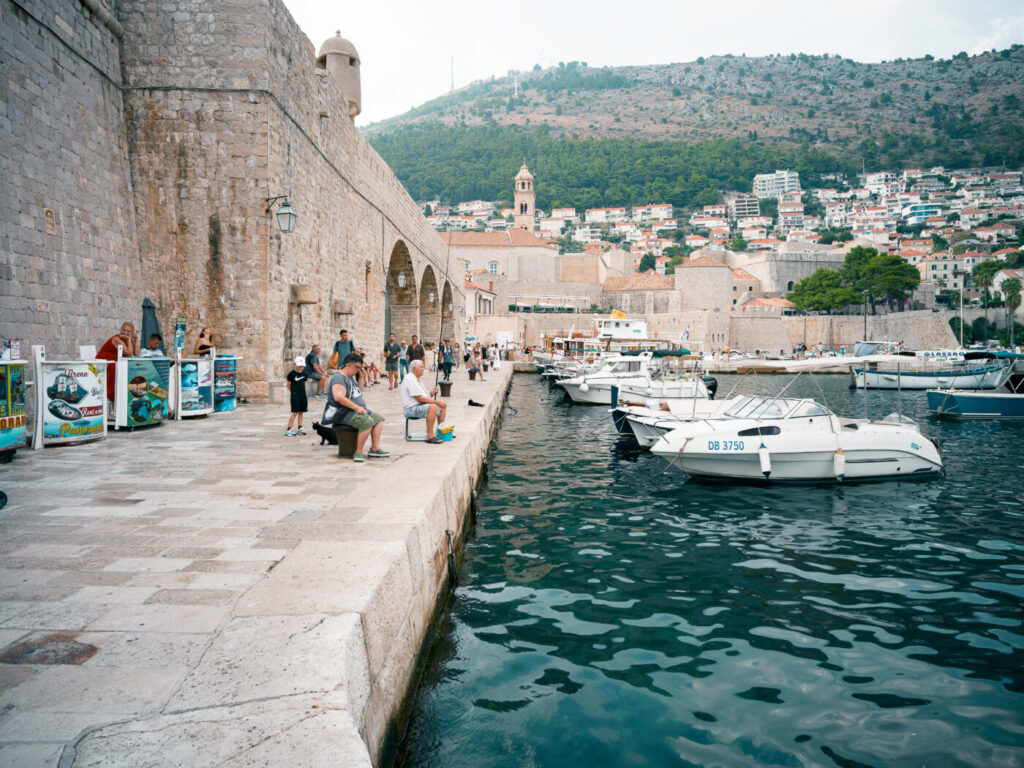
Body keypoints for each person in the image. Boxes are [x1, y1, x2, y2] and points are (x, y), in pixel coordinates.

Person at [323, 353, 389, 462]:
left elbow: (357, 392)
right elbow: (338, 397)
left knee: (378, 419)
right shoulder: (339, 378)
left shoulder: (349, 377)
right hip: (342, 413)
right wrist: (356, 408)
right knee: (367, 421)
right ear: (349, 365)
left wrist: (362, 378)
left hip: (351, 410)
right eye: (358, 368)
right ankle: (358, 451)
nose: (358, 370)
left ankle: (375, 448)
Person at [401, 360, 447, 444]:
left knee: (443, 405)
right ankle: (430, 436)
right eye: (421, 367)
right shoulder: (410, 379)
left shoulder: (418, 380)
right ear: (414, 368)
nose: (423, 368)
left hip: (419, 405)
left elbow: (423, 396)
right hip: (411, 409)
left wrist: (431, 393)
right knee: (433, 406)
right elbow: (420, 399)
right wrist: (436, 402)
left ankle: (441, 432)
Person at [97, 321, 142, 404]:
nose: (125, 333)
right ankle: (115, 396)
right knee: (121, 370)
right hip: (106, 364)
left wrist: (136, 341)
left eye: (128, 331)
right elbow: (128, 354)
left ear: (132, 333)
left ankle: (126, 396)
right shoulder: (116, 339)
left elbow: (137, 354)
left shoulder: (128, 340)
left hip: (116, 362)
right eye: (124, 330)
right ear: (120, 330)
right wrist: (128, 339)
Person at [285, 356, 308, 437]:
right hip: (295, 395)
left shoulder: (304, 374)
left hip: (303, 395)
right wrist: (293, 392)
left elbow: (304, 384)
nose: (300, 367)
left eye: (302, 366)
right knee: (295, 412)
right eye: (299, 366)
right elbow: (288, 384)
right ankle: (289, 430)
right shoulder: (291, 374)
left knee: (301, 412)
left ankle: (300, 428)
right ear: (295, 364)